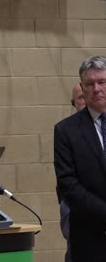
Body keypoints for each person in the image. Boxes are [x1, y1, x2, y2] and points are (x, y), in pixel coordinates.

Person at [54, 55, 106, 261]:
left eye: (102, 82)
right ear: (82, 88)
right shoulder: (66, 130)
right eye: (90, 84)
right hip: (89, 238)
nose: (96, 89)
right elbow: (68, 185)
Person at [57, 82, 86, 262]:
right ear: (74, 103)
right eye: (81, 97)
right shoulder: (66, 133)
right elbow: (66, 183)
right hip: (78, 216)